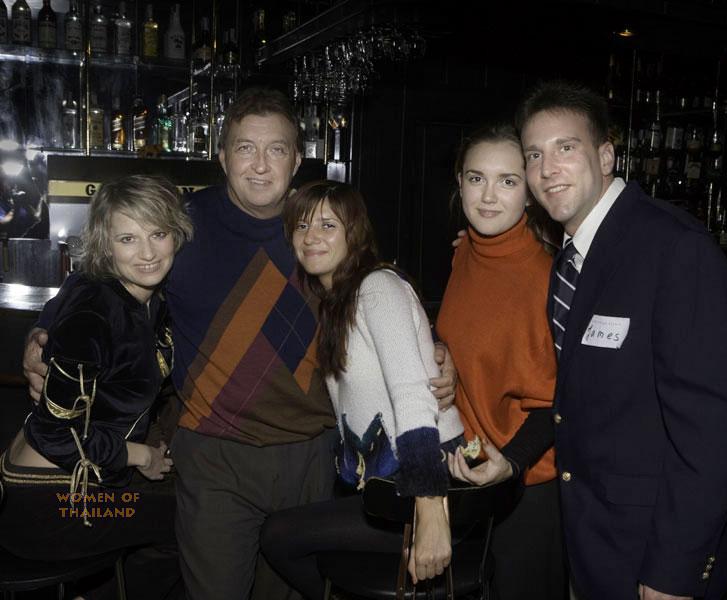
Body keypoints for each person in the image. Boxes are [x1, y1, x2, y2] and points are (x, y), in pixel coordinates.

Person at [23, 87, 457, 600]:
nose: (260, 165)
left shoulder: (320, 228)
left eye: (276, 149)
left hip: (312, 455)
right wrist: (42, 330)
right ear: (222, 156)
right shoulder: (182, 224)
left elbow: (378, 291)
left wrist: (434, 346)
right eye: (245, 148)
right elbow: (97, 277)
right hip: (213, 455)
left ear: (297, 159)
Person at [449, 80, 727, 600]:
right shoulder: (573, 256)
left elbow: (716, 429)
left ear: (607, 156)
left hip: (658, 555)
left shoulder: (674, 249)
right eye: (534, 155)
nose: (548, 169)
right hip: (593, 542)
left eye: (565, 148)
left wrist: (674, 569)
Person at [259, 180, 464, 599]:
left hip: (425, 480)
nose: (311, 237)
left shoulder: (377, 287)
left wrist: (430, 509)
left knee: (279, 535)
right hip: (386, 487)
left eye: (327, 225)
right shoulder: (337, 299)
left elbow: (411, 394)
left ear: (354, 233)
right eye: (301, 226)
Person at [0, 175, 192, 599]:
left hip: (78, 478)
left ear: (176, 234)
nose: (147, 253)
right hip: (50, 502)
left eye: (158, 234)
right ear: (106, 244)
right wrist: (140, 455)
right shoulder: (95, 313)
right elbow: (55, 434)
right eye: (128, 239)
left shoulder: (140, 297)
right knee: (194, 524)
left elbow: (61, 303)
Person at [436, 123, 565, 600]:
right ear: (460, 182)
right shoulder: (466, 252)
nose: (488, 196)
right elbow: (470, 336)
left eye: (508, 181)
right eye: (477, 178)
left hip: (528, 484)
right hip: (469, 470)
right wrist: (445, 355)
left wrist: (511, 463)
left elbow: (559, 400)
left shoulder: (547, 280)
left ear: (530, 191)